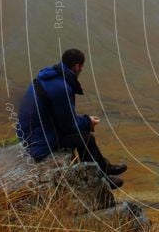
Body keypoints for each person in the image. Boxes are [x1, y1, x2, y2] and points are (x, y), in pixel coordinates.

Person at [17, 48, 127, 189]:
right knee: (86, 138)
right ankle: (98, 181)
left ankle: (104, 169)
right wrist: (88, 122)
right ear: (77, 66)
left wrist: (85, 121)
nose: (81, 70)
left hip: (35, 132)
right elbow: (68, 126)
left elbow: (62, 117)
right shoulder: (61, 87)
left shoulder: (53, 78)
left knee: (84, 137)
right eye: (81, 67)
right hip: (38, 140)